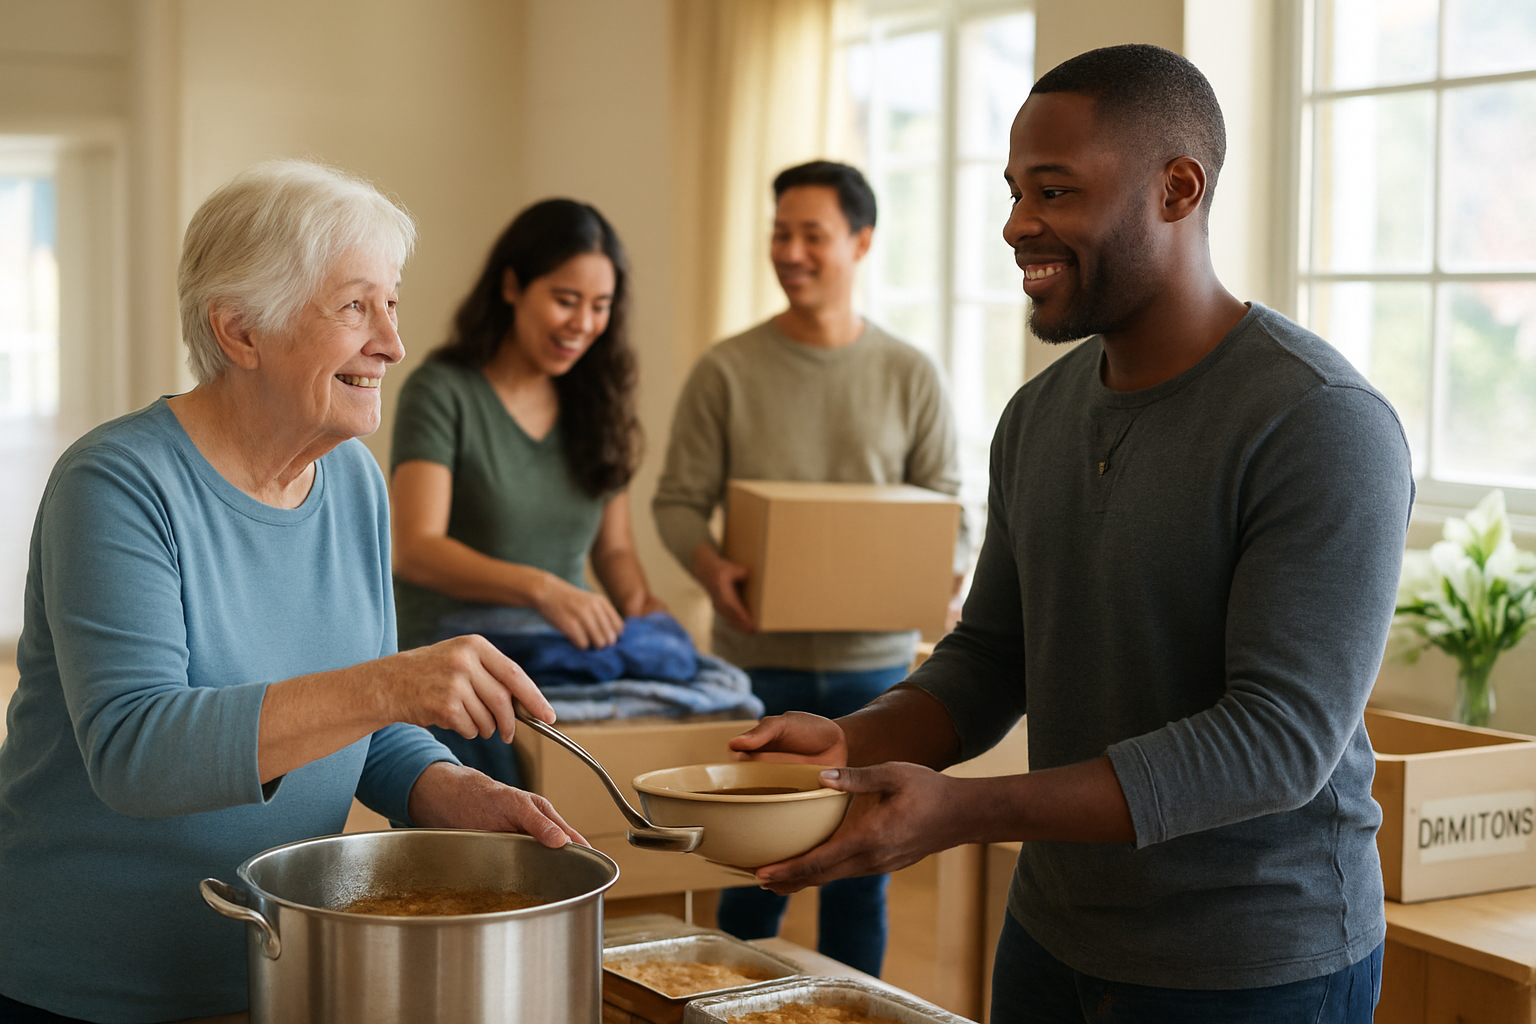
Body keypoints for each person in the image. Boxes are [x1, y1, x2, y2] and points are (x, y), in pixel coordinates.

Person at [727, 45, 1414, 1023]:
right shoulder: (1037, 416)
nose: (1016, 225)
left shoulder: (1320, 421)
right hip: (1054, 937)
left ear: (1178, 189)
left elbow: (1276, 741)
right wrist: (847, 744)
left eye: (1054, 190)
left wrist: (964, 812)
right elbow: (993, 654)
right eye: (1013, 191)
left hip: (1254, 962)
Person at [0, 160, 583, 1024]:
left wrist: (454, 791)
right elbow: (136, 752)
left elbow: (363, 729)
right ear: (239, 331)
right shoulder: (117, 484)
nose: (391, 341)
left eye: (391, 303)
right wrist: (394, 682)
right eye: (355, 307)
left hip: (287, 967)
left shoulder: (350, 481)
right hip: (90, 988)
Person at [653, 160, 968, 978]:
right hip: (760, 664)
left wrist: (944, 574)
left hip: (878, 672)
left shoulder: (910, 374)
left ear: (861, 242)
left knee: (863, 873)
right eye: (779, 234)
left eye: (812, 235)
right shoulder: (728, 370)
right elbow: (678, 502)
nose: (790, 251)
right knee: (755, 871)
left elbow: (946, 508)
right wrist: (712, 566)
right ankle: (727, 1000)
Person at [389, 199, 667, 781]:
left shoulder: (600, 401)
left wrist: (647, 618)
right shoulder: (443, 391)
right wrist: (543, 589)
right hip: (455, 657)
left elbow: (614, 551)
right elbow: (414, 546)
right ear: (512, 286)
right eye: (565, 301)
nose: (583, 323)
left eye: (600, 307)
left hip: (557, 657)